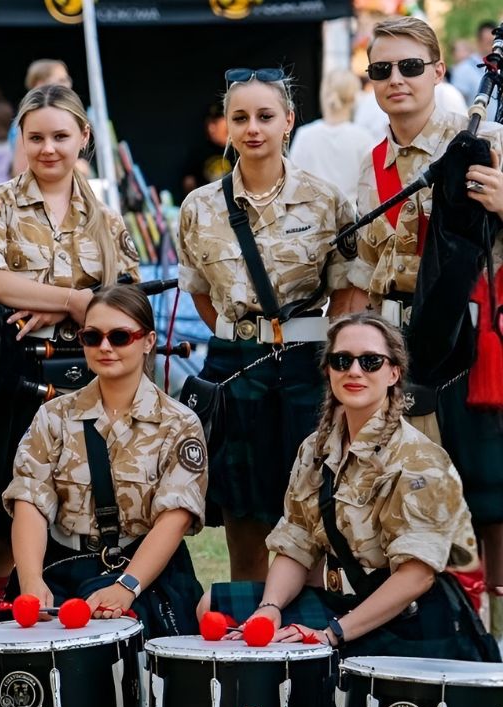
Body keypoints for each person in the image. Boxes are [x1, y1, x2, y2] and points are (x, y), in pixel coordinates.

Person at [212, 313, 499, 662]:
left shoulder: (420, 459)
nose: (354, 371)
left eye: (371, 361)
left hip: (410, 620)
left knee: (315, 666)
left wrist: (332, 633)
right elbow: (297, 543)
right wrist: (269, 609)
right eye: (342, 360)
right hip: (339, 603)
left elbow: (416, 577)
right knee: (214, 607)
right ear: (328, 370)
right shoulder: (314, 449)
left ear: (394, 373)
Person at [0, 82, 139, 619]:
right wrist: (76, 297)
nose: (49, 149)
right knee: (3, 509)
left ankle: (58, 622)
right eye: (36, 137)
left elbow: (126, 296)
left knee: (75, 508)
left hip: (85, 375)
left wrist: (65, 308)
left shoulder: (107, 218)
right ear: (21, 139)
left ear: (84, 135)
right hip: (7, 375)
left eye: (61, 135)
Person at [176, 68, 362, 582]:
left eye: (265, 116)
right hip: (235, 364)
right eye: (241, 118)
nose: (253, 128)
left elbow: (347, 289)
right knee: (243, 503)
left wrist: (334, 359)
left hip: (306, 364)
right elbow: (199, 290)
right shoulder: (200, 207)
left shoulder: (326, 200)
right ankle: (249, 617)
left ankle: (306, 620)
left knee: (309, 495)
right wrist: (245, 334)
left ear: (289, 122)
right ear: (228, 127)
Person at [350, 15, 503, 620]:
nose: (396, 80)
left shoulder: (487, 140)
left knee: (492, 504)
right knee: (417, 502)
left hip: (472, 344)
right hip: (396, 351)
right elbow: (362, 278)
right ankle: (443, 642)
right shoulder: (372, 165)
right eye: (382, 69)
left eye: (411, 66)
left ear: (438, 71)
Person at [6, 284, 208, 636]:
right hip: (63, 568)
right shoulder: (53, 416)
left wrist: (126, 586)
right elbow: (30, 501)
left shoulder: (178, 423)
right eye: (92, 336)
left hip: (146, 573)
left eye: (120, 336)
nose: (105, 347)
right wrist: (31, 581)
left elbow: (175, 518)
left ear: (147, 341)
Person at [288, 68, 378, 197]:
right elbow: (372, 187)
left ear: (323, 94)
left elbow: (293, 183)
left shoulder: (304, 135)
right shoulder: (363, 138)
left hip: (313, 215)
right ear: (354, 98)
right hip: (353, 215)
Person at [9, 59, 72, 177]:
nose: (68, 85)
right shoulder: (30, 117)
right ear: (40, 84)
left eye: (67, 79)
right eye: (61, 80)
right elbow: (21, 169)